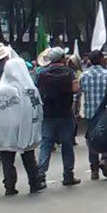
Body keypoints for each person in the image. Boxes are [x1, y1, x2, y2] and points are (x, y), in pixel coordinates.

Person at [0, 56, 45, 196]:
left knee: (7, 157)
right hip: (24, 126)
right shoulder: (29, 89)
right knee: (28, 155)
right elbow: (35, 110)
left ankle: (9, 185)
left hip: (3, 128)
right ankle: (34, 182)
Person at [36, 47, 81, 187]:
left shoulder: (42, 74)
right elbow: (75, 90)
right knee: (67, 145)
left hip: (48, 114)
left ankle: (41, 175)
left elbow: (37, 91)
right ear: (62, 58)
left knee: (46, 144)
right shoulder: (70, 73)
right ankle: (68, 175)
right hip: (65, 113)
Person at [80, 50, 107, 180]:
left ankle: (94, 169)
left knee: (91, 140)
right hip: (105, 112)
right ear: (101, 59)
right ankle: (105, 160)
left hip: (90, 113)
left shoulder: (84, 76)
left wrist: (77, 111)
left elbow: (78, 94)